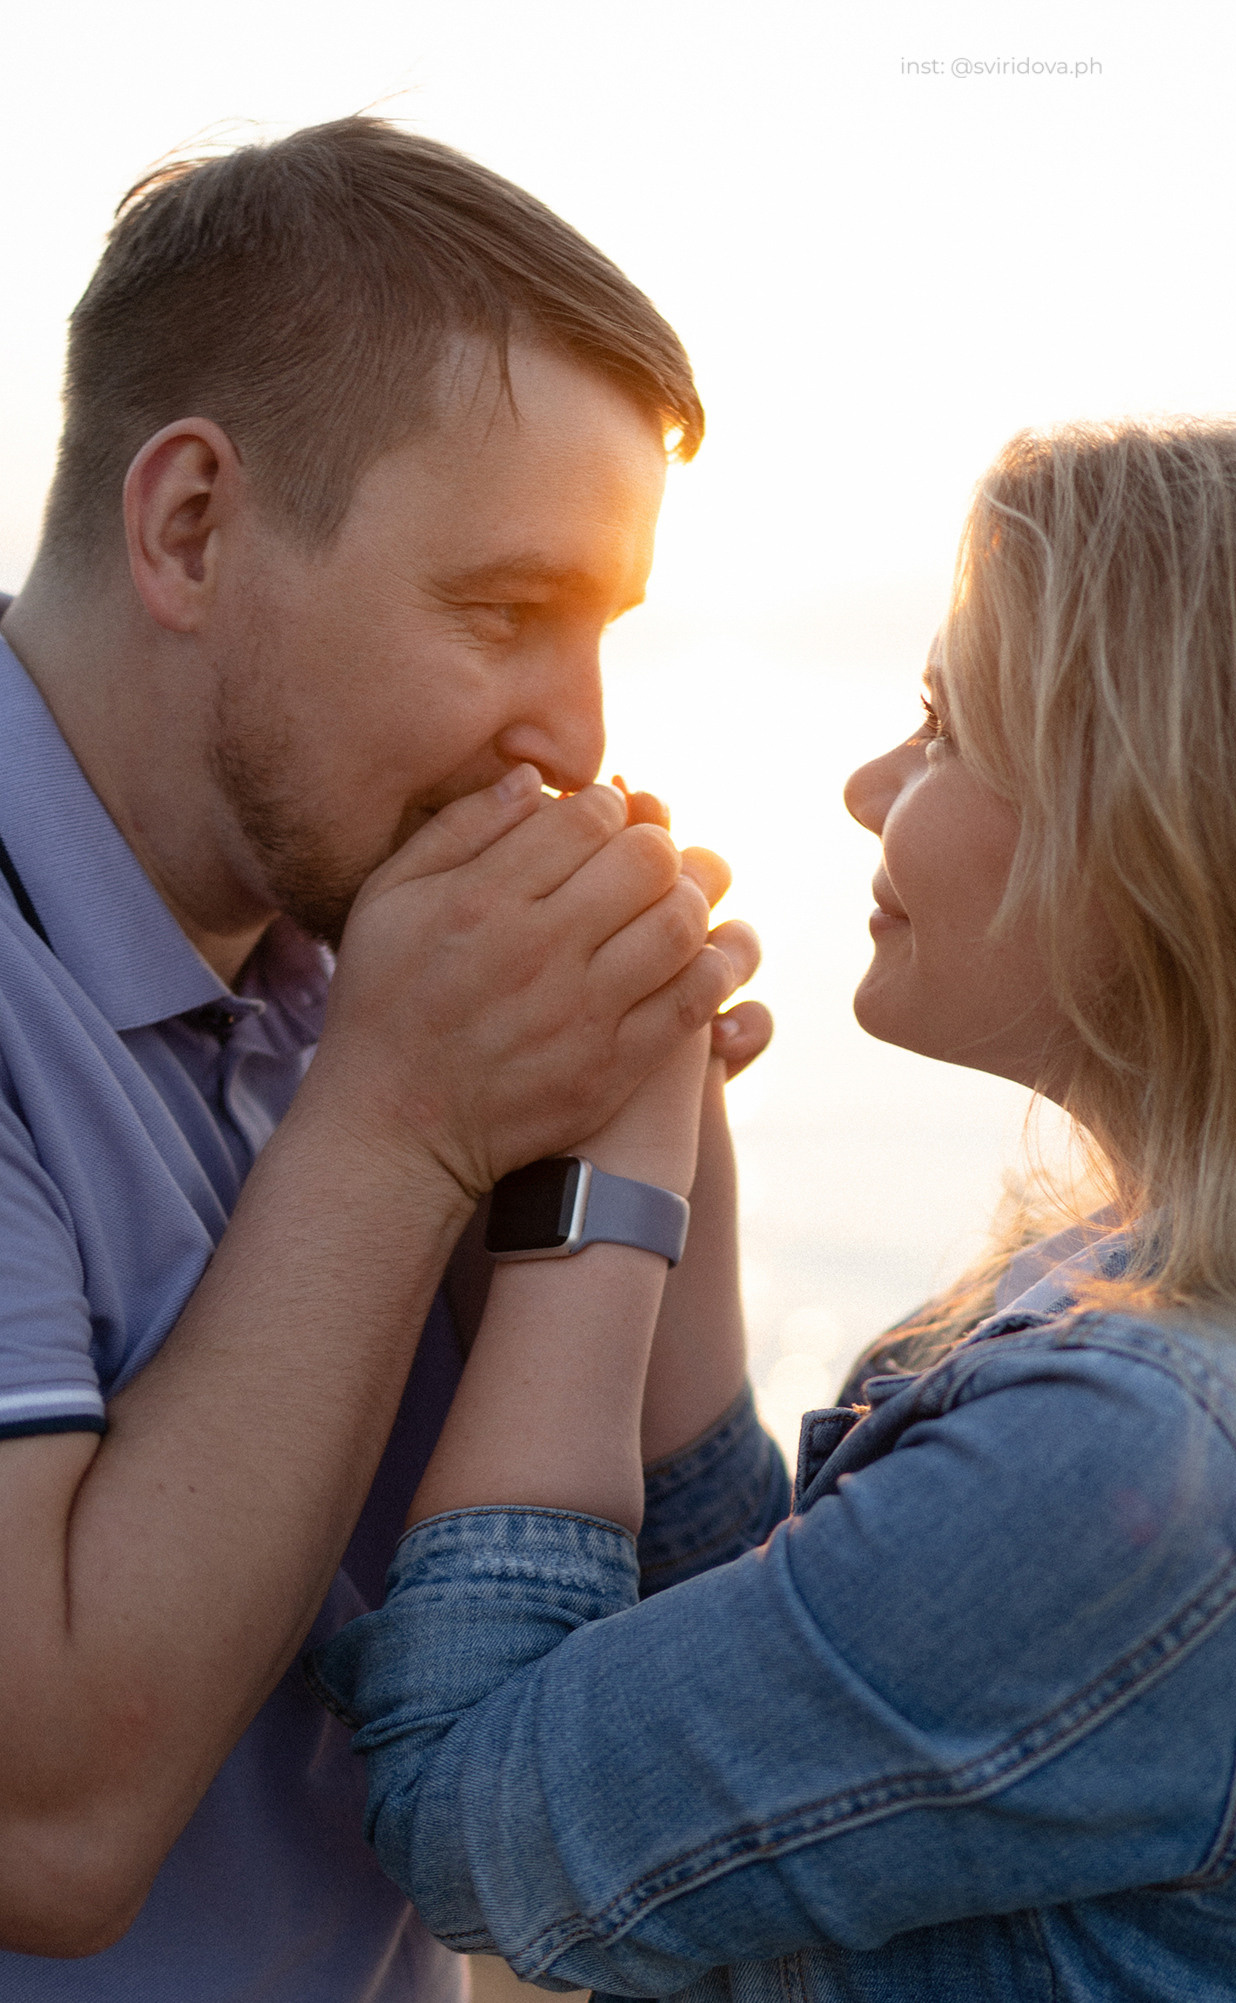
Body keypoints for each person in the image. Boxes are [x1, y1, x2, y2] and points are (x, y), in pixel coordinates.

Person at [312, 418, 1236, 1999]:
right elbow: (766, 1663)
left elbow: (468, 1808)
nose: (864, 788)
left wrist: (605, 1185)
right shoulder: (1173, 1307)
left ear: (1175, 830)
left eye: (943, 725)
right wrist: (679, 1136)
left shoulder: (1161, 1458)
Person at [0, 118, 768, 1998]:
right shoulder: (394, 1041)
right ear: (190, 525)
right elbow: (49, 1826)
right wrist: (404, 1124)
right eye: (508, 616)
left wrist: (651, 1133)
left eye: (605, 637)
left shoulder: (369, 950)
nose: (576, 738)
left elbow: (691, 1711)